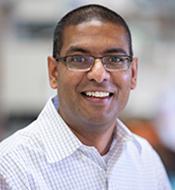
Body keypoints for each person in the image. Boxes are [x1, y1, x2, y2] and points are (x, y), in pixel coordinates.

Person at [0, 4, 172, 190]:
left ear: (133, 74)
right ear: (54, 72)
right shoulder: (11, 170)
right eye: (79, 59)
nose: (99, 75)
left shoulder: (146, 160)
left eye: (115, 59)